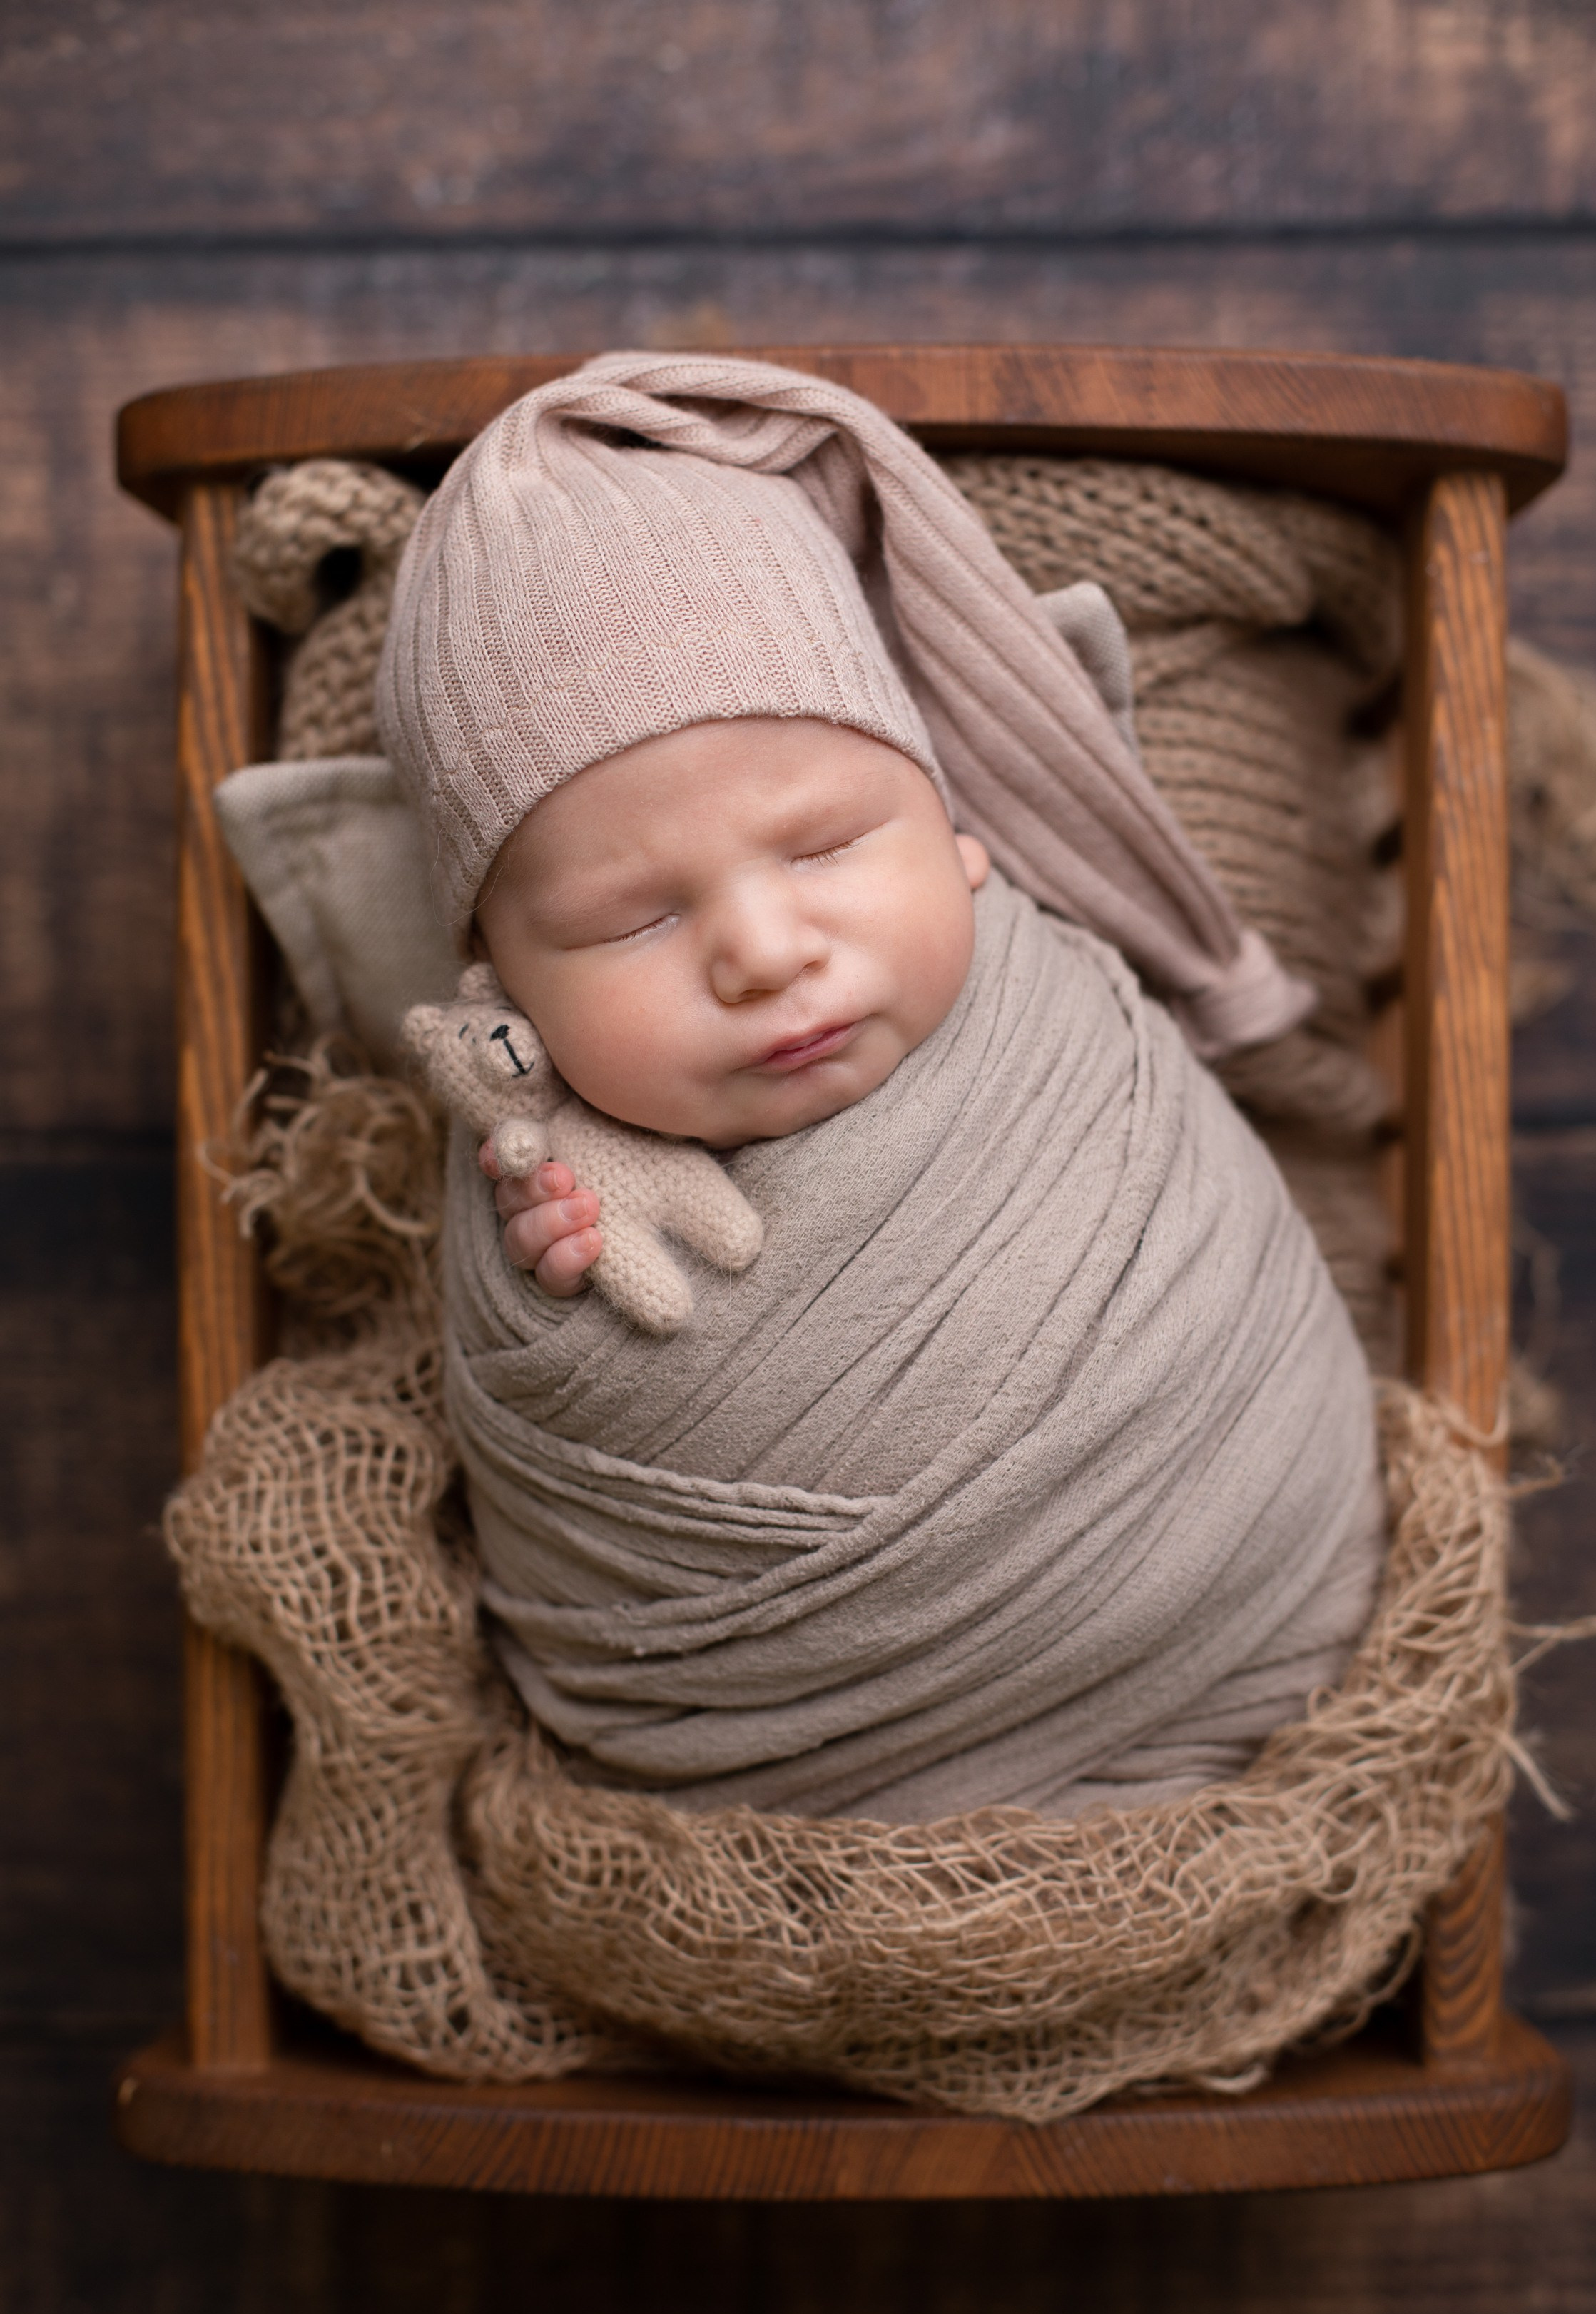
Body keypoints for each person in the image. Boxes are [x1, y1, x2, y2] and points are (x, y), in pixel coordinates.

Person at [376, 351, 1384, 1825]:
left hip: (1251, 1614)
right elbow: (553, 1406)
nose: (763, 952)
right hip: (782, 1788)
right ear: (499, 979)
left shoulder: (1058, 1012)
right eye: (628, 921)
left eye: (827, 845)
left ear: (956, 824)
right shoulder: (530, 1124)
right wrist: (552, 1267)